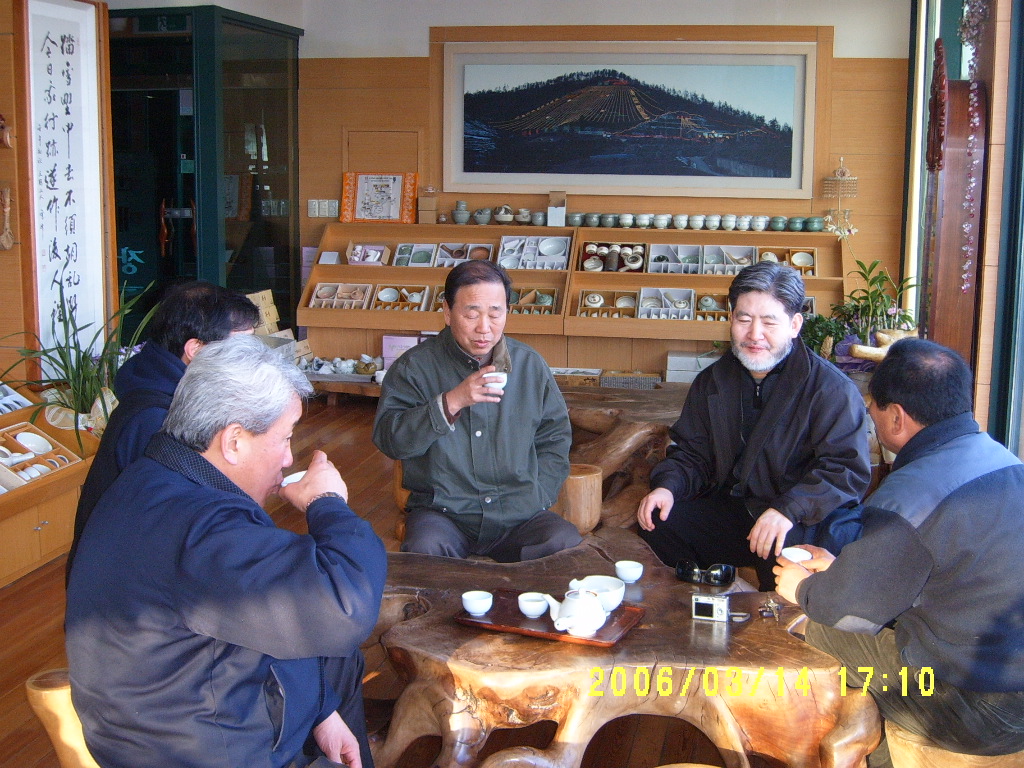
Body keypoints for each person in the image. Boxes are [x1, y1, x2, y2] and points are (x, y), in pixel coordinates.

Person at [66, 335, 387, 768]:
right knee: (340, 649)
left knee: (339, 663)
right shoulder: (202, 529)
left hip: (164, 718)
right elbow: (346, 604)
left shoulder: (155, 476)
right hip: (197, 750)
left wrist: (321, 710)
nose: (288, 459)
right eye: (285, 438)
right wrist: (327, 503)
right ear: (234, 440)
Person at [775, 338, 1024, 765]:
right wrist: (841, 569)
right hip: (1008, 680)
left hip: (976, 712)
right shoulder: (1005, 462)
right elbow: (941, 571)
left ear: (896, 416)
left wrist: (802, 589)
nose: (870, 415)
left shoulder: (909, 495)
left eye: (872, 406)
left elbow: (851, 612)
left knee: (817, 630)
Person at [637, 262, 870, 588]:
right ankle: (694, 602)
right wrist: (668, 486)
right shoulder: (713, 381)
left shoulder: (830, 389)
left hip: (800, 517)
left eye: (769, 322)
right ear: (731, 319)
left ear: (794, 325)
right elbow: (692, 452)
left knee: (787, 555)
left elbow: (845, 470)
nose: (754, 334)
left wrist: (787, 510)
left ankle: (771, 616)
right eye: (744, 319)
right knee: (660, 522)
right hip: (737, 510)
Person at [372, 260, 579, 562]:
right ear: (447, 312)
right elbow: (390, 441)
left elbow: (555, 437)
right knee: (426, 548)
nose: (484, 327)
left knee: (564, 543)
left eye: (495, 313)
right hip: (445, 512)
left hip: (518, 513)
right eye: (471, 313)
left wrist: (539, 494)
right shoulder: (414, 368)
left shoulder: (529, 365)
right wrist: (451, 402)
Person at [66, 281, 260, 579]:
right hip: (120, 583)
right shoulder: (156, 419)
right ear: (196, 349)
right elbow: (179, 518)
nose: (251, 359)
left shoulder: (163, 385)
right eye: (241, 349)